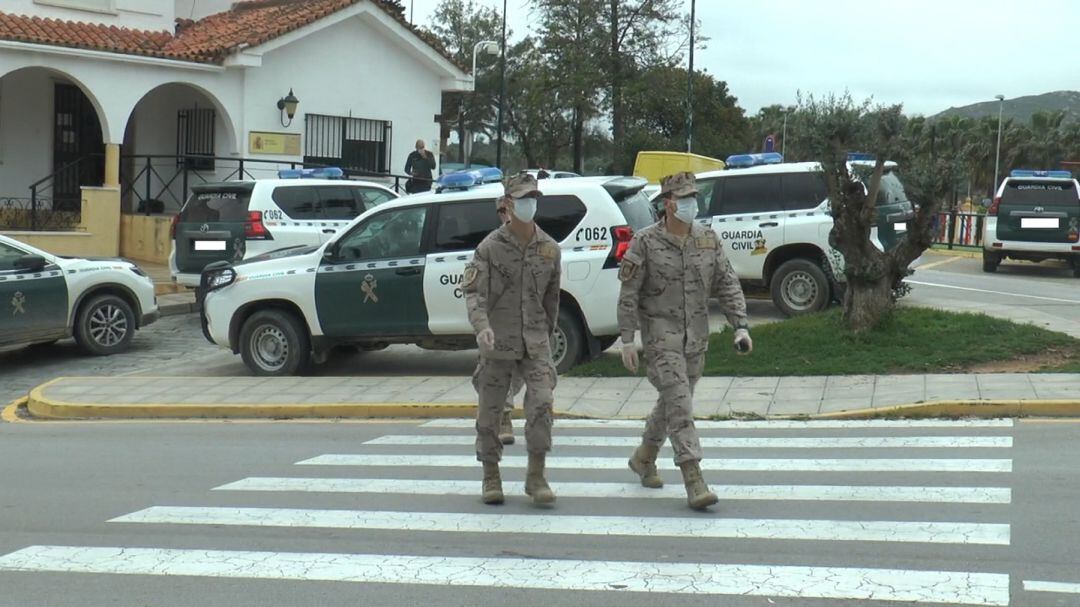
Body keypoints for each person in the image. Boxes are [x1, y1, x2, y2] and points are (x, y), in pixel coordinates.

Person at [617, 171, 753, 510]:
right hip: (661, 337)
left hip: (696, 339)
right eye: (685, 198)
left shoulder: (708, 239)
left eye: (694, 197)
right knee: (680, 405)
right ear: (668, 203)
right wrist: (627, 338)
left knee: (672, 404)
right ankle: (694, 479)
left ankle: (644, 457)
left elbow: (727, 282)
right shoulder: (645, 242)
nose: (692, 204)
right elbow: (629, 293)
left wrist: (741, 325)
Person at [464, 173, 561, 506]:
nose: (529, 204)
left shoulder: (550, 248)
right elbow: (474, 294)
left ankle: (536, 476)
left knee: (542, 403)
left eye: (533, 197)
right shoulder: (490, 248)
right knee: (490, 412)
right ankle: (491, 474)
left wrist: (545, 336)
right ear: (507, 203)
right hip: (498, 340)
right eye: (522, 199)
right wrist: (482, 327)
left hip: (535, 341)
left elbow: (552, 300)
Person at [494, 197, 525, 446]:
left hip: (531, 319)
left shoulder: (537, 240)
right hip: (503, 318)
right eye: (502, 210)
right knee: (502, 370)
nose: (506, 214)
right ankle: (504, 416)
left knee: (528, 374)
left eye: (509, 209)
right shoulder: (492, 245)